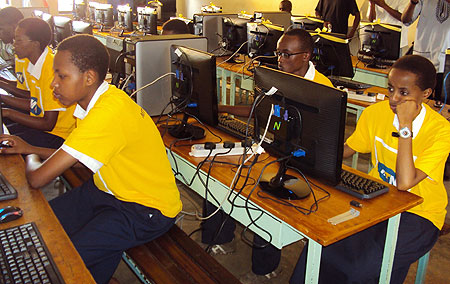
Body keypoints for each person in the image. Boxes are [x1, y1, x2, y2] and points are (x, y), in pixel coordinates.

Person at [0, 34, 182, 284]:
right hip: (107, 189)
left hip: (145, 209)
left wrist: (29, 154)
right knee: (44, 227)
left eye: (61, 76)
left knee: (62, 256)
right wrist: (29, 146)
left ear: (89, 78)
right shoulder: (101, 100)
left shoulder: (106, 114)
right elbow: (76, 156)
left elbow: (37, 178)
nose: (53, 84)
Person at [290, 55, 450, 283]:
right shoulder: (376, 113)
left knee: (363, 268)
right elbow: (347, 150)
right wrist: (305, 149)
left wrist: (405, 126)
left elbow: (405, 183)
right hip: (378, 199)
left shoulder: (441, 131)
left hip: (419, 214)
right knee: (324, 242)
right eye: (391, 89)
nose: (393, 99)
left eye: (404, 93)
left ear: (425, 94)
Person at [207, 28, 334, 282]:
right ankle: (220, 237)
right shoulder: (279, 76)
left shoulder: (323, 89)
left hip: (304, 159)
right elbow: (259, 109)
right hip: (274, 145)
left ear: (306, 56)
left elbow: (322, 140)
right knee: (217, 167)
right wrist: (221, 107)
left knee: (269, 195)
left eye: (287, 54)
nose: (280, 59)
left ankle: (265, 268)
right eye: (278, 53)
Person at [0, 18, 76, 149]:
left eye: (18, 40)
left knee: (5, 145)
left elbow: (48, 124)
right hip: (44, 128)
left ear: (35, 44)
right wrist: (6, 110)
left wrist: (8, 112)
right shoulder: (35, 64)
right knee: (5, 132)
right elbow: (36, 104)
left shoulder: (51, 69)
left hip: (59, 135)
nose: (14, 45)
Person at [401, 0, 450, 101]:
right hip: (423, 57)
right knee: (418, 100)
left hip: (446, 62)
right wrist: (413, 3)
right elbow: (405, 20)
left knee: (443, 103)